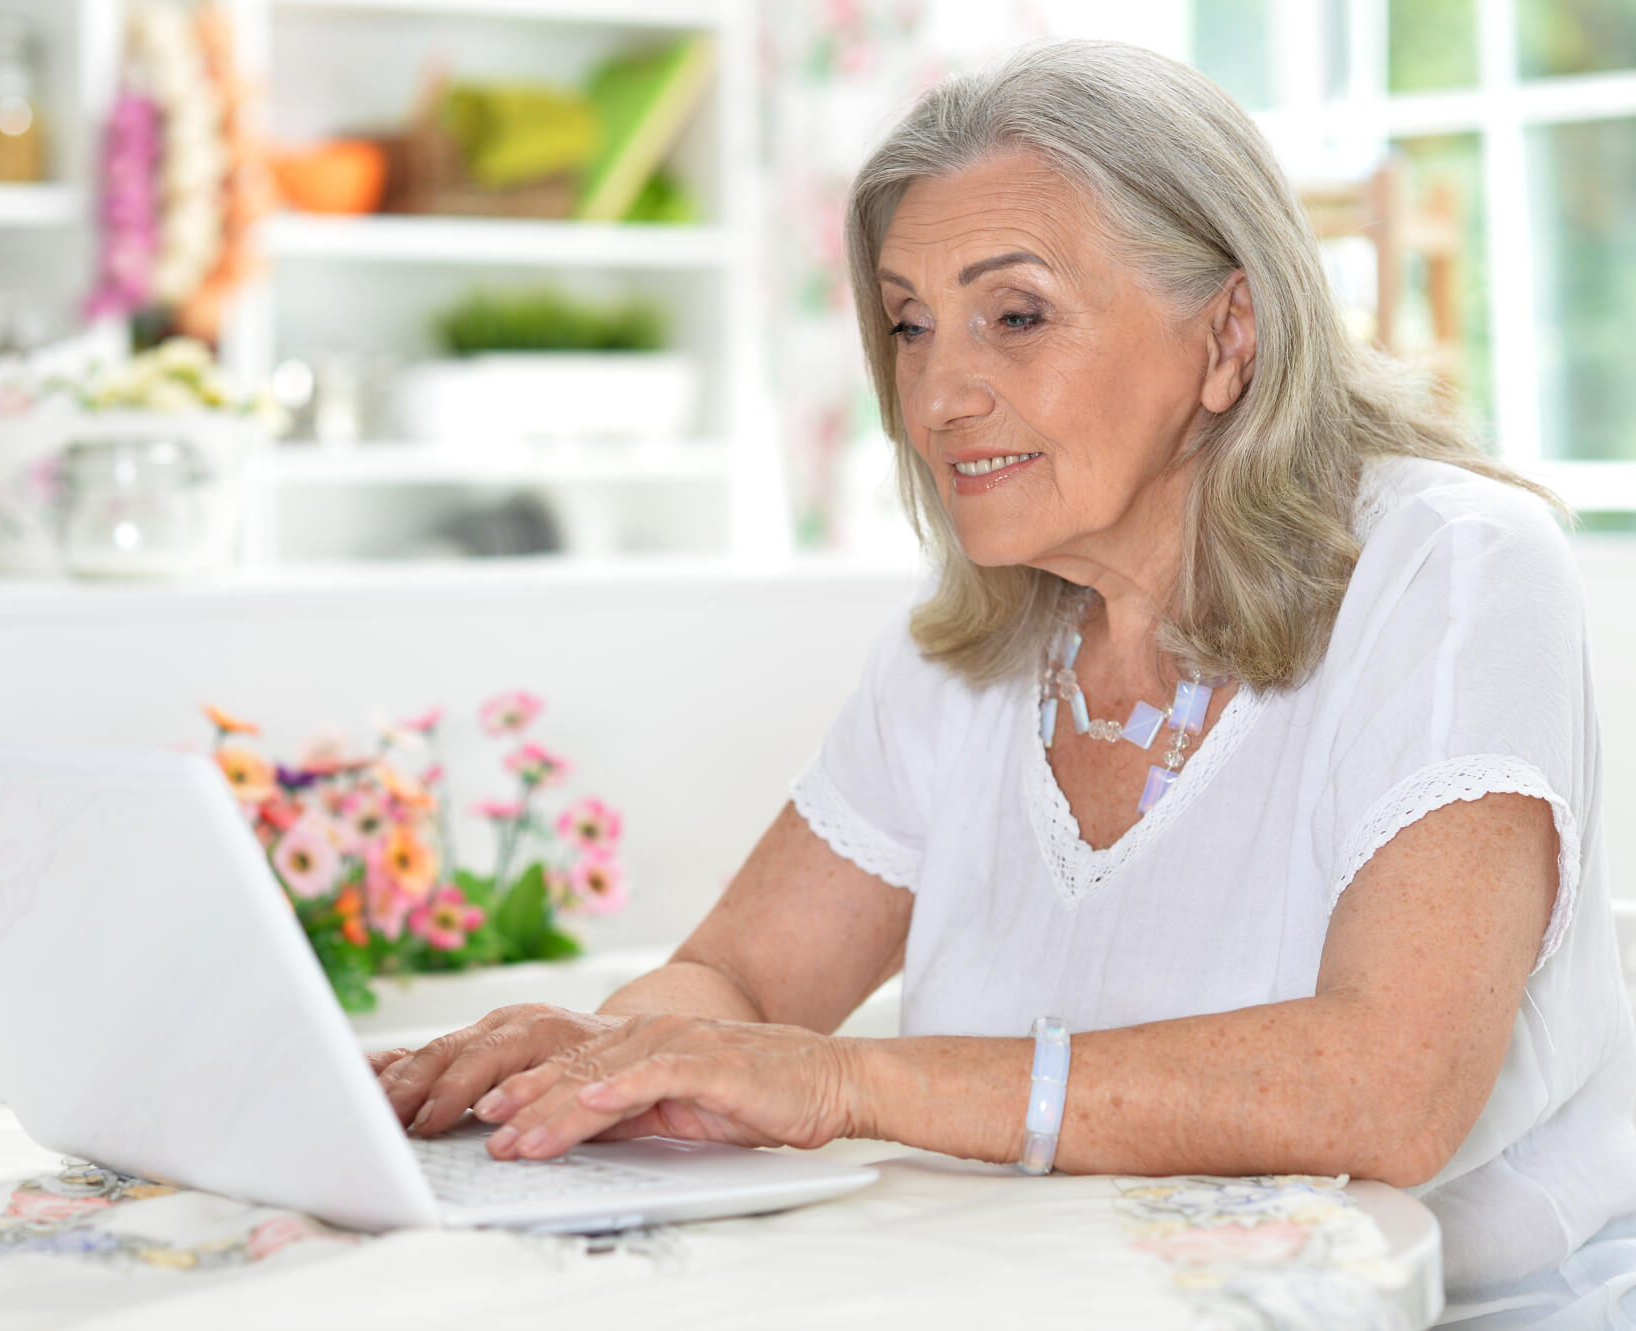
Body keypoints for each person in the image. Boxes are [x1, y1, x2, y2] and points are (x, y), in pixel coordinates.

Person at [372, 40, 1636, 1325]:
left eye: (1013, 315)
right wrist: (608, 1056)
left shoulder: (1452, 566)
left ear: (1227, 337)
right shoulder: (965, 653)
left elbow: (1383, 1089)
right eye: (910, 322)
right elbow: (740, 985)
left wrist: (846, 1082)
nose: (935, 393)